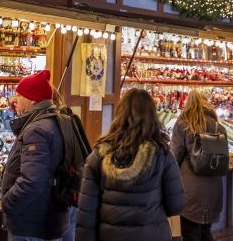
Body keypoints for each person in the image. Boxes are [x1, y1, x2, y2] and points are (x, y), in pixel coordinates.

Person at [75, 88, 185, 241]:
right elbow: (176, 205)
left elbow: (86, 213)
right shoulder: (162, 155)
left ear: (119, 114)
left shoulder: (98, 155)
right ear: (152, 116)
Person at [1, 69, 71, 241]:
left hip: (31, 224)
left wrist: (8, 202)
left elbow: (32, 181)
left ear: (32, 99)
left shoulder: (37, 130)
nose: (14, 100)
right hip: (47, 219)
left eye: (19, 94)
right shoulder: (54, 121)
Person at [170, 90, 225, 241]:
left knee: (189, 233)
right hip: (214, 187)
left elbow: (174, 156)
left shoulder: (183, 125)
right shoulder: (218, 127)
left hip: (189, 189)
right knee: (206, 231)